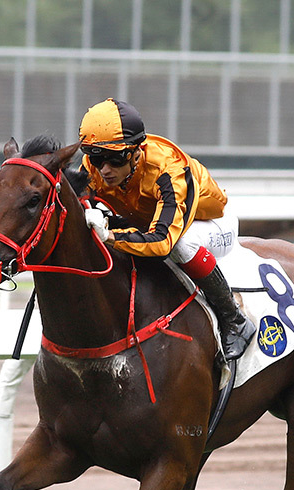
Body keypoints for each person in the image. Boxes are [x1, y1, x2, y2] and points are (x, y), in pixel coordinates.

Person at [77, 98, 255, 361]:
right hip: (151, 219)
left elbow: (162, 243)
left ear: (136, 152)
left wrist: (111, 235)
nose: (104, 169)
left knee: (181, 246)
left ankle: (235, 320)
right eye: (96, 158)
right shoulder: (92, 168)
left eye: (114, 159)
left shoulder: (168, 170)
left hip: (211, 223)